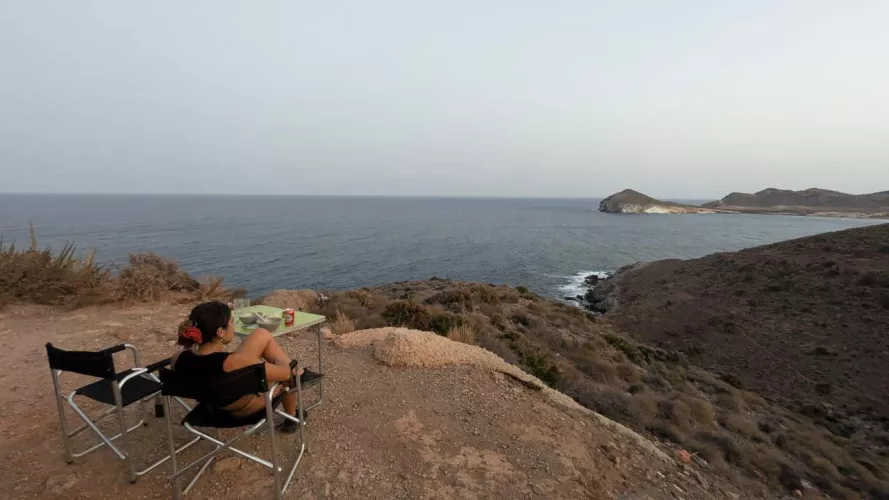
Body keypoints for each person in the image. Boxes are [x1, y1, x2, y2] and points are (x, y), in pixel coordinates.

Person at [171, 301, 302, 433]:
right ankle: (292, 415)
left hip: (210, 406)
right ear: (221, 332)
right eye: (231, 322)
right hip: (243, 410)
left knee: (260, 334)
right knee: (291, 373)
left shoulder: (178, 358)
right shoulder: (233, 362)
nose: (233, 326)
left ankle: (292, 412)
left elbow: (205, 363)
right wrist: (278, 361)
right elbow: (285, 373)